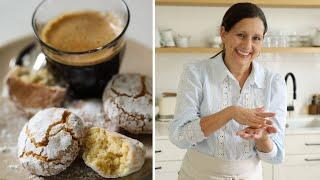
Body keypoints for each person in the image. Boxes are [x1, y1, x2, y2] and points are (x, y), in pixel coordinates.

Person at [169, 2, 287, 180]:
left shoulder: (274, 82)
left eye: (256, 38)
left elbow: (277, 155)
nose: (248, 45)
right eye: (241, 35)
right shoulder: (195, 74)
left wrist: (262, 138)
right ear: (223, 33)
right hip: (199, 175)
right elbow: (179, 136)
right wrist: (230, 113)